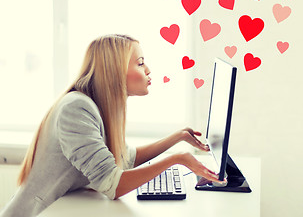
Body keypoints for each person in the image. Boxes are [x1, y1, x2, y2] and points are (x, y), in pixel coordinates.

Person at [0, 34, 222, 217]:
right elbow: (113, 186)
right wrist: (177, 159)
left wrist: (177, 137)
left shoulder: (95, 106)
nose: (148, 70)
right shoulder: (76, 109)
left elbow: (127, 157)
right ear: (115, 70)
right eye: (141, 62)